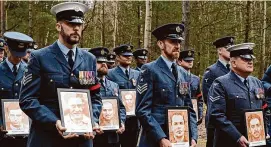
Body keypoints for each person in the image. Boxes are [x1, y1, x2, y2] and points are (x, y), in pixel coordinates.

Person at [19, 2, 102, 147]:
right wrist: (54, 121)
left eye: (79, 25)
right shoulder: (40, 57)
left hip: (81, 139)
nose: (76, 28)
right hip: (47, 138)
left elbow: (95, 97)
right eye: (70, 24)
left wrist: (91, 119)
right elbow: (27, 99)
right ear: (58, 26)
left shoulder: (89, 59)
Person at [136, 23, 197, 147]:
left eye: (179, 42)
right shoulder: (149, 70)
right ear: (160, 44)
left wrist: (193, 136)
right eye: (173, 42)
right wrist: (160, 138)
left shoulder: (183, 73)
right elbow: (142, 110)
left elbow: (188, 107)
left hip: (179, 138)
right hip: (155, 140)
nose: (177, 46)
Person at [208, 43, 266, 147]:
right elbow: (216, 115)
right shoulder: (220, 84)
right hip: (229, 142)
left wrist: (266, 130)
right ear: (233, 63)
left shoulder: (257, 83)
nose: (250, 62)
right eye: (245, 59)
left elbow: (265, 109)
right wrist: (237, 136)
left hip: (255, 141)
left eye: (251, 59)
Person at [0, 31, 32, 147]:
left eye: (20, 54)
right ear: (6, 48)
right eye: (15, 53)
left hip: (26, 133)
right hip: (3, 134)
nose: (18, 57)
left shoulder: (30, 71)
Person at [89, 47, 125, 147]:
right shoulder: (86, 84)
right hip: (95, 135)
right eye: (99, 62)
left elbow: (121, 107)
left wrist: (121, 121)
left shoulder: (114, 85)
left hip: (113, 136)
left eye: (105, 61)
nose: (104, 64)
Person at [202, 36, 234, 147]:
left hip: (232, 120)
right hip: (215, 121)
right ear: (220, 50)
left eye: (232, 48)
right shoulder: (211, 71)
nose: (231, 50)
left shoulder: (234, 69)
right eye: (227, 48)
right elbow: (208, 98)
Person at [107, 44, 140, 147]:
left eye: (130, 55)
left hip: (134, 118)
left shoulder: (137, 74)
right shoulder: (110, 73)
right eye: (125, 56)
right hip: (118, 117)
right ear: (117, 57)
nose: (129, 57)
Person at [177, 49, 203, 125]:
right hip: (179, 113)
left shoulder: (196, 79)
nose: (190, 62)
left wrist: (200, 113)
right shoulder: (175, 77)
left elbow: (199, 98)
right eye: (187, 61)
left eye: (191, 61)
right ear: (179, 62)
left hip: (192, 113)